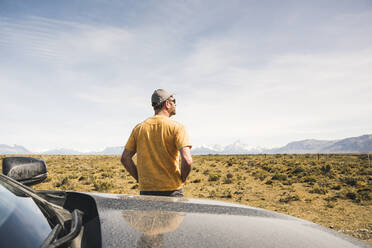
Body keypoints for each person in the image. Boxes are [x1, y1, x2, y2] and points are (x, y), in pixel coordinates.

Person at [121, 89, 192, 197]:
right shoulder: (177, 127)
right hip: (172, 190)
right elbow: (187, 160)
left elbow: (125, 158)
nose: (176, 104)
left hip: (146, 191)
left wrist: (139, 179)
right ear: (167, 104)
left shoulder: (139, 128)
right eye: (174, 101)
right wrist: (182, 179)